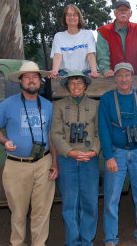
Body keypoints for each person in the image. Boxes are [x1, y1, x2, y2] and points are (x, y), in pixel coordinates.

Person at [0, 61, 58, 246]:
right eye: (26, 77)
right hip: (16, 165)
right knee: (18, 211)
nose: (31, 80)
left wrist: (54, 164)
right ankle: (17, 243)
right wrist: (5, 141)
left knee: (41, 210)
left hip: (43, 162)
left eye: (34, 77)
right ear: (20, 81)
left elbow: (52, 136)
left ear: (40, 81)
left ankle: (39, 243)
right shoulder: (8, 104)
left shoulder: (48, 106)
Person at [98, 62, 137, 246]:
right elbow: (104, 129)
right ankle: (110, 239)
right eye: (120, 75)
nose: (124, 79)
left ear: (132, 77)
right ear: (115, 78)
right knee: (112, 198)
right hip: (118, 153)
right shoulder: (107, 99)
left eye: (127, 75)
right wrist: (109, 156)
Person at [51, 71, 101, 246]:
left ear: (85, 85)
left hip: (90, 160)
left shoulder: (95, 105)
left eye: (79, 83)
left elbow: (99, 132)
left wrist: (94, 151)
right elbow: (56, 134)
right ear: (67, 87)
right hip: (68, 160)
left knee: (89, 202)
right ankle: (72, 241)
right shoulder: (58, 106)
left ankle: (87, 240)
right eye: (72, 83)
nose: (76, 86)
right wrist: (69, 152)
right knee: (70, 203)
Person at [96, 0, 137, 77]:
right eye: (120, 10)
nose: (123, 12)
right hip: (112, 77)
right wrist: (106, 70)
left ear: (130, 13)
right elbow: (102, 55)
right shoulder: (104, 31)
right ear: (115, 13)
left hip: (136, 77)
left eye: (126, 10)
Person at [50, 4, 99, 79]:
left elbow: (91, 55)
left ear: (79, 18)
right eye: (68, 15)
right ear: (65, 18)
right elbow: (57, 56)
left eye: (75, 15)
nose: (71, 17)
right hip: (65, 74)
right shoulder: (58, 36)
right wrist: (55, 71)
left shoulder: (88, 34)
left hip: (85, 74)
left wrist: (94, 71)